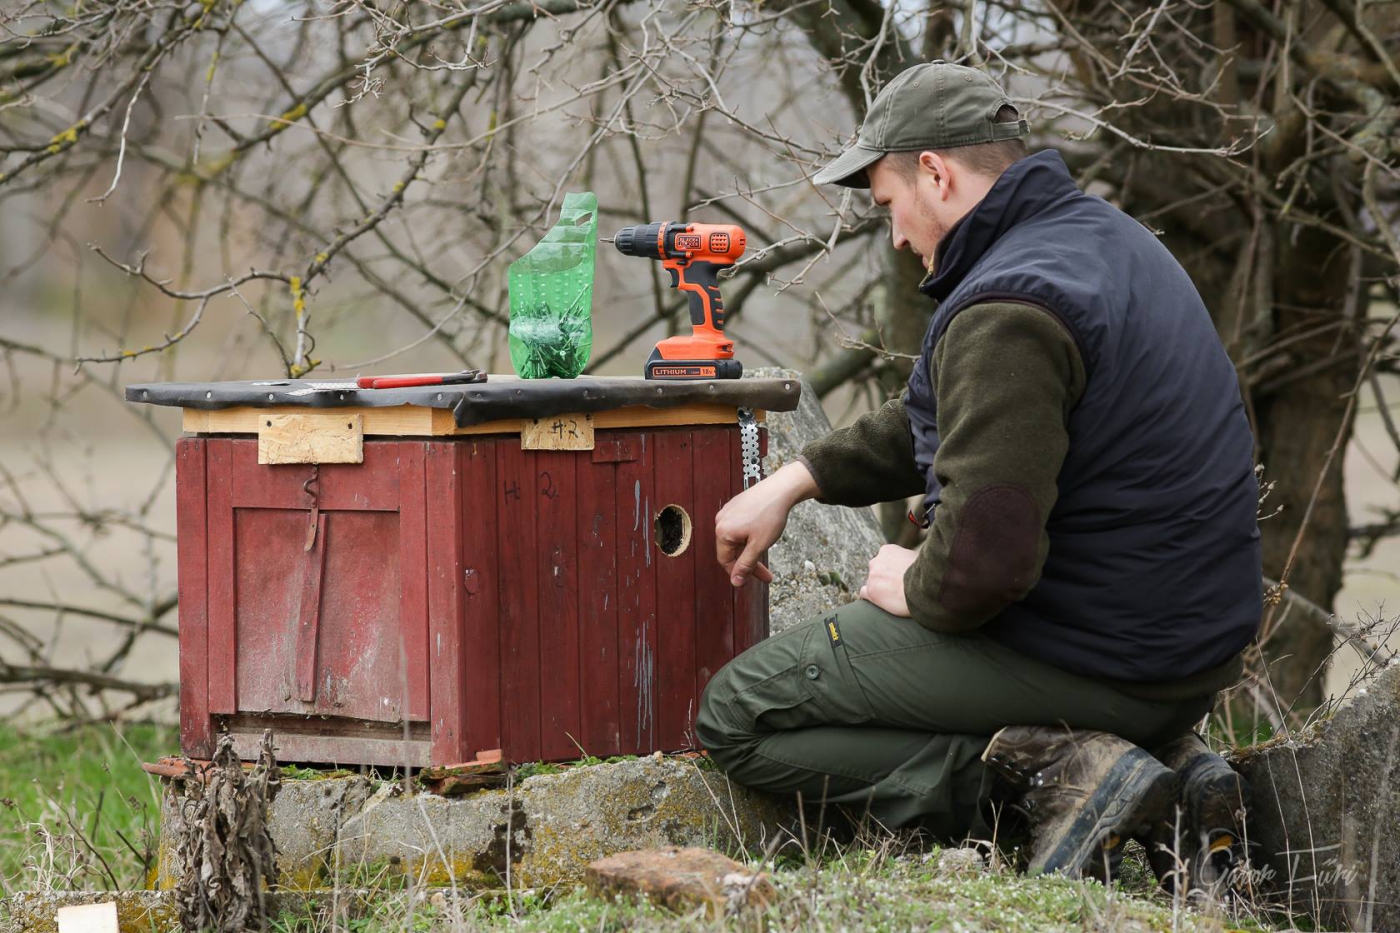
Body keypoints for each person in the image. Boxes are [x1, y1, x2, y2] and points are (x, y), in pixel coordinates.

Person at [694, 61, 1261, 888]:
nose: (893, 234)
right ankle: (1159, 765)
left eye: (888, 204)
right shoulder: (1103, 243)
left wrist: (918, 582)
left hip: (1107, 661)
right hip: (1182, 658)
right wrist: (797, 478)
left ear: (935, 172)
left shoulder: (1008, 309)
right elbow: (949, 415)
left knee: (739, 711)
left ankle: (1047, 782)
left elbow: (981, 569)